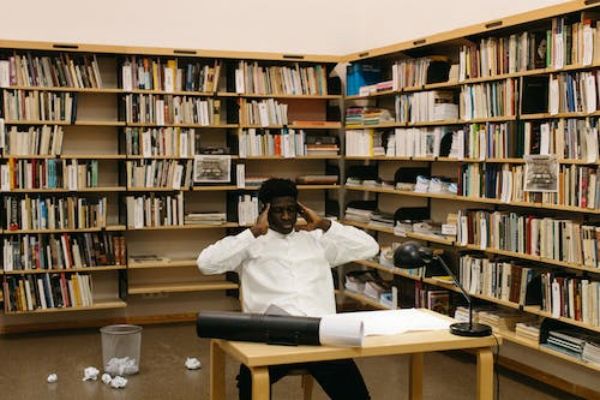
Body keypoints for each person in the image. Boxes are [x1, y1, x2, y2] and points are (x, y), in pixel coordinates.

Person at [197, 178, 379, 400]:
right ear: (265, 212)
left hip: (321, 336)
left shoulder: (316, 240)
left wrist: (325, 224)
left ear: (300, 210)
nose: (285, 216)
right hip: (271, 337)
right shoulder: (250, 244)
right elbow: (205, 264)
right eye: (278, 210)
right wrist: (253, 232)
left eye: (291, 210)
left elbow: (370, 247)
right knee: (250, 384)